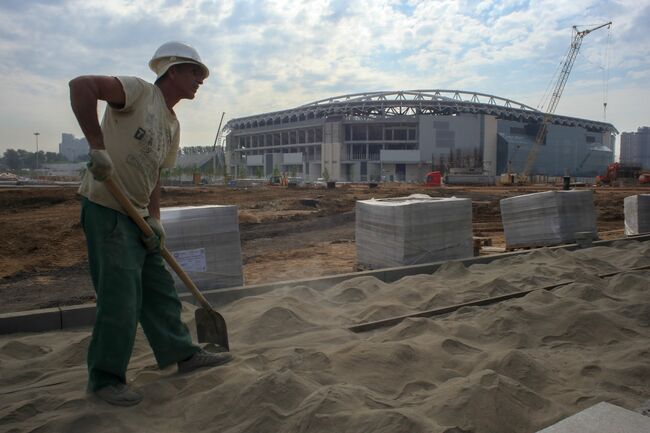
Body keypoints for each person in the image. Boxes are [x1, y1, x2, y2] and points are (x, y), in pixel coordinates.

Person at [69, 41, 232, 407]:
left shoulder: (172, 124)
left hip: (139, 216)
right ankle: (105, 379)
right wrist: (97, 146)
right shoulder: (139, 92)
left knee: (160, 291)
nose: (200, 81)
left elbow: (156, 174)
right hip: (107, 206)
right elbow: (81, 85)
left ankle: (182, 352)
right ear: (172, 70)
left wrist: (155, 220)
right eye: (195, 72)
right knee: (120, 298)